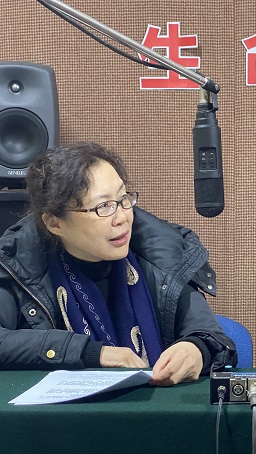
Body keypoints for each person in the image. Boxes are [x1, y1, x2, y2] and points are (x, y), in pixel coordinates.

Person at [0, 142, 237, 385]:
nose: (122, 217)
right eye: (103, 206)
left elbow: (212, 337)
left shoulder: (163, 254)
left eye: (123, 198)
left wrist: (196, 349)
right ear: (55, 223)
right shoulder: (18, 263)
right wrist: (88, 352)